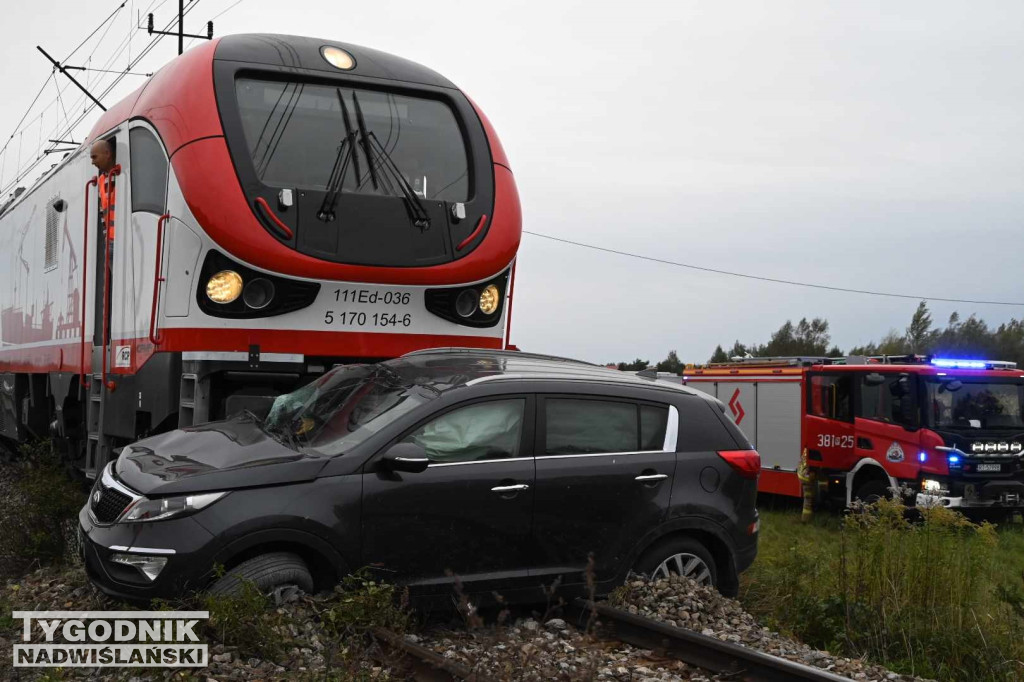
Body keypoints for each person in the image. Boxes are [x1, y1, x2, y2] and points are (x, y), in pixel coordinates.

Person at [90, 139, 117, 241]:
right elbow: (103, 214)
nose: (92, 162)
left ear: (107, 153)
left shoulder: (123, 173)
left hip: (124, 239)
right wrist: (106, 237)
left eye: (94, 157)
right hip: (110, 240)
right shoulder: (101, 181)